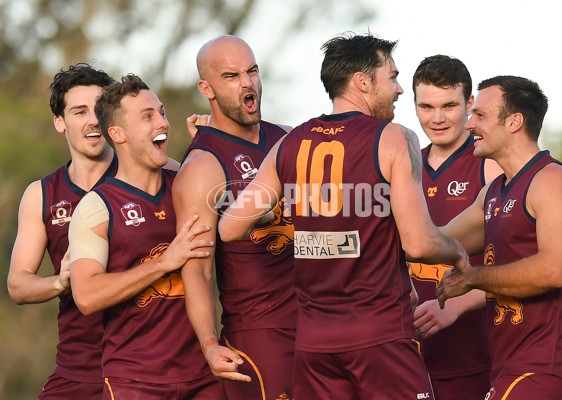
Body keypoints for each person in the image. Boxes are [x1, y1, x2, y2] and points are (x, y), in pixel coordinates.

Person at [218, 32, 470, 400]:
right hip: (380, 339)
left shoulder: (289, 142)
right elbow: (418, 244)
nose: (399, 89)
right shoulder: (395, 138)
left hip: (314, 345)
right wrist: (457, 252)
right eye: (393, 77)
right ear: (363, 82)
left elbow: (229, 227)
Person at [68, 74, 225, 399]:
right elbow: (86, 297)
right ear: (117, 134)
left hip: (205, 374)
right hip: (135, 381)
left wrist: (208, 147)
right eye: (148, 116)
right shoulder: (96, 208)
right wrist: (164, 263)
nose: (162, 123)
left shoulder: (186, 182)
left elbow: (242, 213)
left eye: (162, 112)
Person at [437, 75, 562, 399]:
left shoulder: (553, 181)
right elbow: (436, 242)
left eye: (479, 115)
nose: (468, 124)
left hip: (547, 366)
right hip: (510, 366)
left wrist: (473, 278)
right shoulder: (492, 193)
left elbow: (554, 269)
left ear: (514, 122)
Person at [172, 35, 296, 400]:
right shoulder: (202, 166)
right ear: (206, 88)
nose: (247, 83)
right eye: (231, 76)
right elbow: (196, 269)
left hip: (322, 320)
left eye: (252, 71)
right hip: (261, 335)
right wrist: (210, 343)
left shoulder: (287, 137)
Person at [7, 63, 116, 399]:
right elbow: (18, 284)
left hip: (147, 365)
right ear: (60, 122)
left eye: (99, 109)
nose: (93, 120)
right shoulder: (41, 194)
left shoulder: (150, 175)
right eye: (79, 111)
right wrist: (59, 281)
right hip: (78, 369)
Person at [408, 55, 502, 399]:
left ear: (469, 104)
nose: (437, 118)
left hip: (478, 358)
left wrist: (458, 305)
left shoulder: (489, 165)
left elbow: (519, 265)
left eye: (449, 105)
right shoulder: (401, 165)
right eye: (426, 106)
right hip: (409, 359)